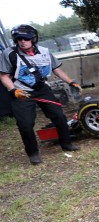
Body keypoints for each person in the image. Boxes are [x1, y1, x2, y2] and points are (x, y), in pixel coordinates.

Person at [0, 24, 81, 165]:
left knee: (59, 116)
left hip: (42, 89)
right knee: (25, 124)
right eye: (18, 39)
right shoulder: (9, 54)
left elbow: (57, 70)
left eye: (25, 38)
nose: (22, 41)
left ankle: (66, 143)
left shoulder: (44, 52)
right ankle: (33, 153)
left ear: (33, 39)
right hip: (21, 92)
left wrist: (71, 82)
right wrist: (13, 90)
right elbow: (4, 76)